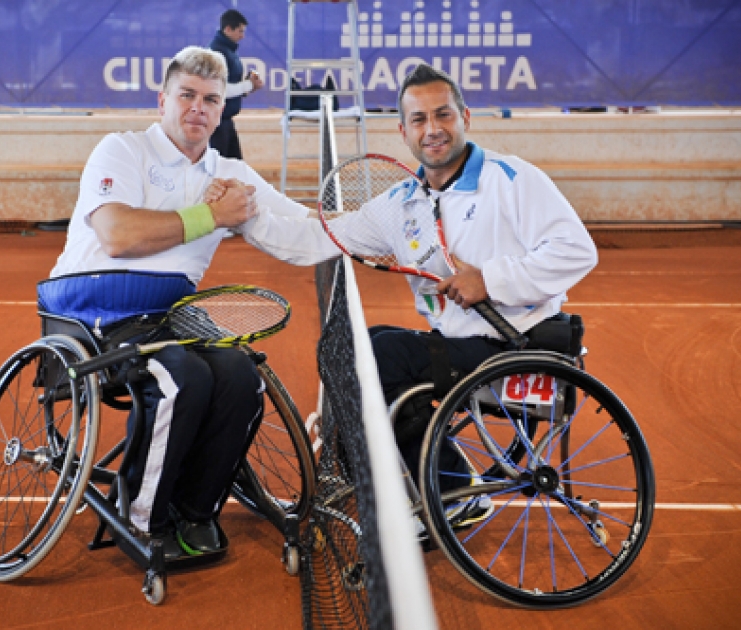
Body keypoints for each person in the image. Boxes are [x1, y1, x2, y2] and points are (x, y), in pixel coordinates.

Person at [39, 46, 336, 560]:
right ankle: (142, 518)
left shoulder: (230, 173)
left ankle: (195, 512)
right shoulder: (121, 149)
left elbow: (302, 227)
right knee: (183, 377)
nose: (198, 107)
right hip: (90, 311)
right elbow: (117, 235)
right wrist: (210, 216)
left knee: (242, 377)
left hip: (168, 316)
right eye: (187, 95)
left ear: (222, 111)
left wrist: (379, 234)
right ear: (163, 100)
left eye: (211, 99)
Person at [367, 64, 598, 524]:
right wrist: (239, 210)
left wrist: (489, 279)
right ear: (403, 131)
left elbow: (577, 252)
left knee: (385, 356)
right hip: (464, 345)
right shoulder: (404, 200)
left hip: (515, 348)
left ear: (465, 117)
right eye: (419, 119)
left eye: (443, 115)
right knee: (369, 343)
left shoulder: (513, 178)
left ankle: (456, 493)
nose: (432, 129)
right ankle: (432, 480)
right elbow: (326, 233)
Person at [208, 9, 263, 159]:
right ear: (227, 29)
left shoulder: (228, 50)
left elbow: (230, 84)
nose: (242, 36)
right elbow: (220, 89)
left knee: (235, 166)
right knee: (222, 169)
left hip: (225, 120)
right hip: (218, 123)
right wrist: (249, 85)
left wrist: (247, 86)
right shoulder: (218, 53)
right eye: (240, 31)